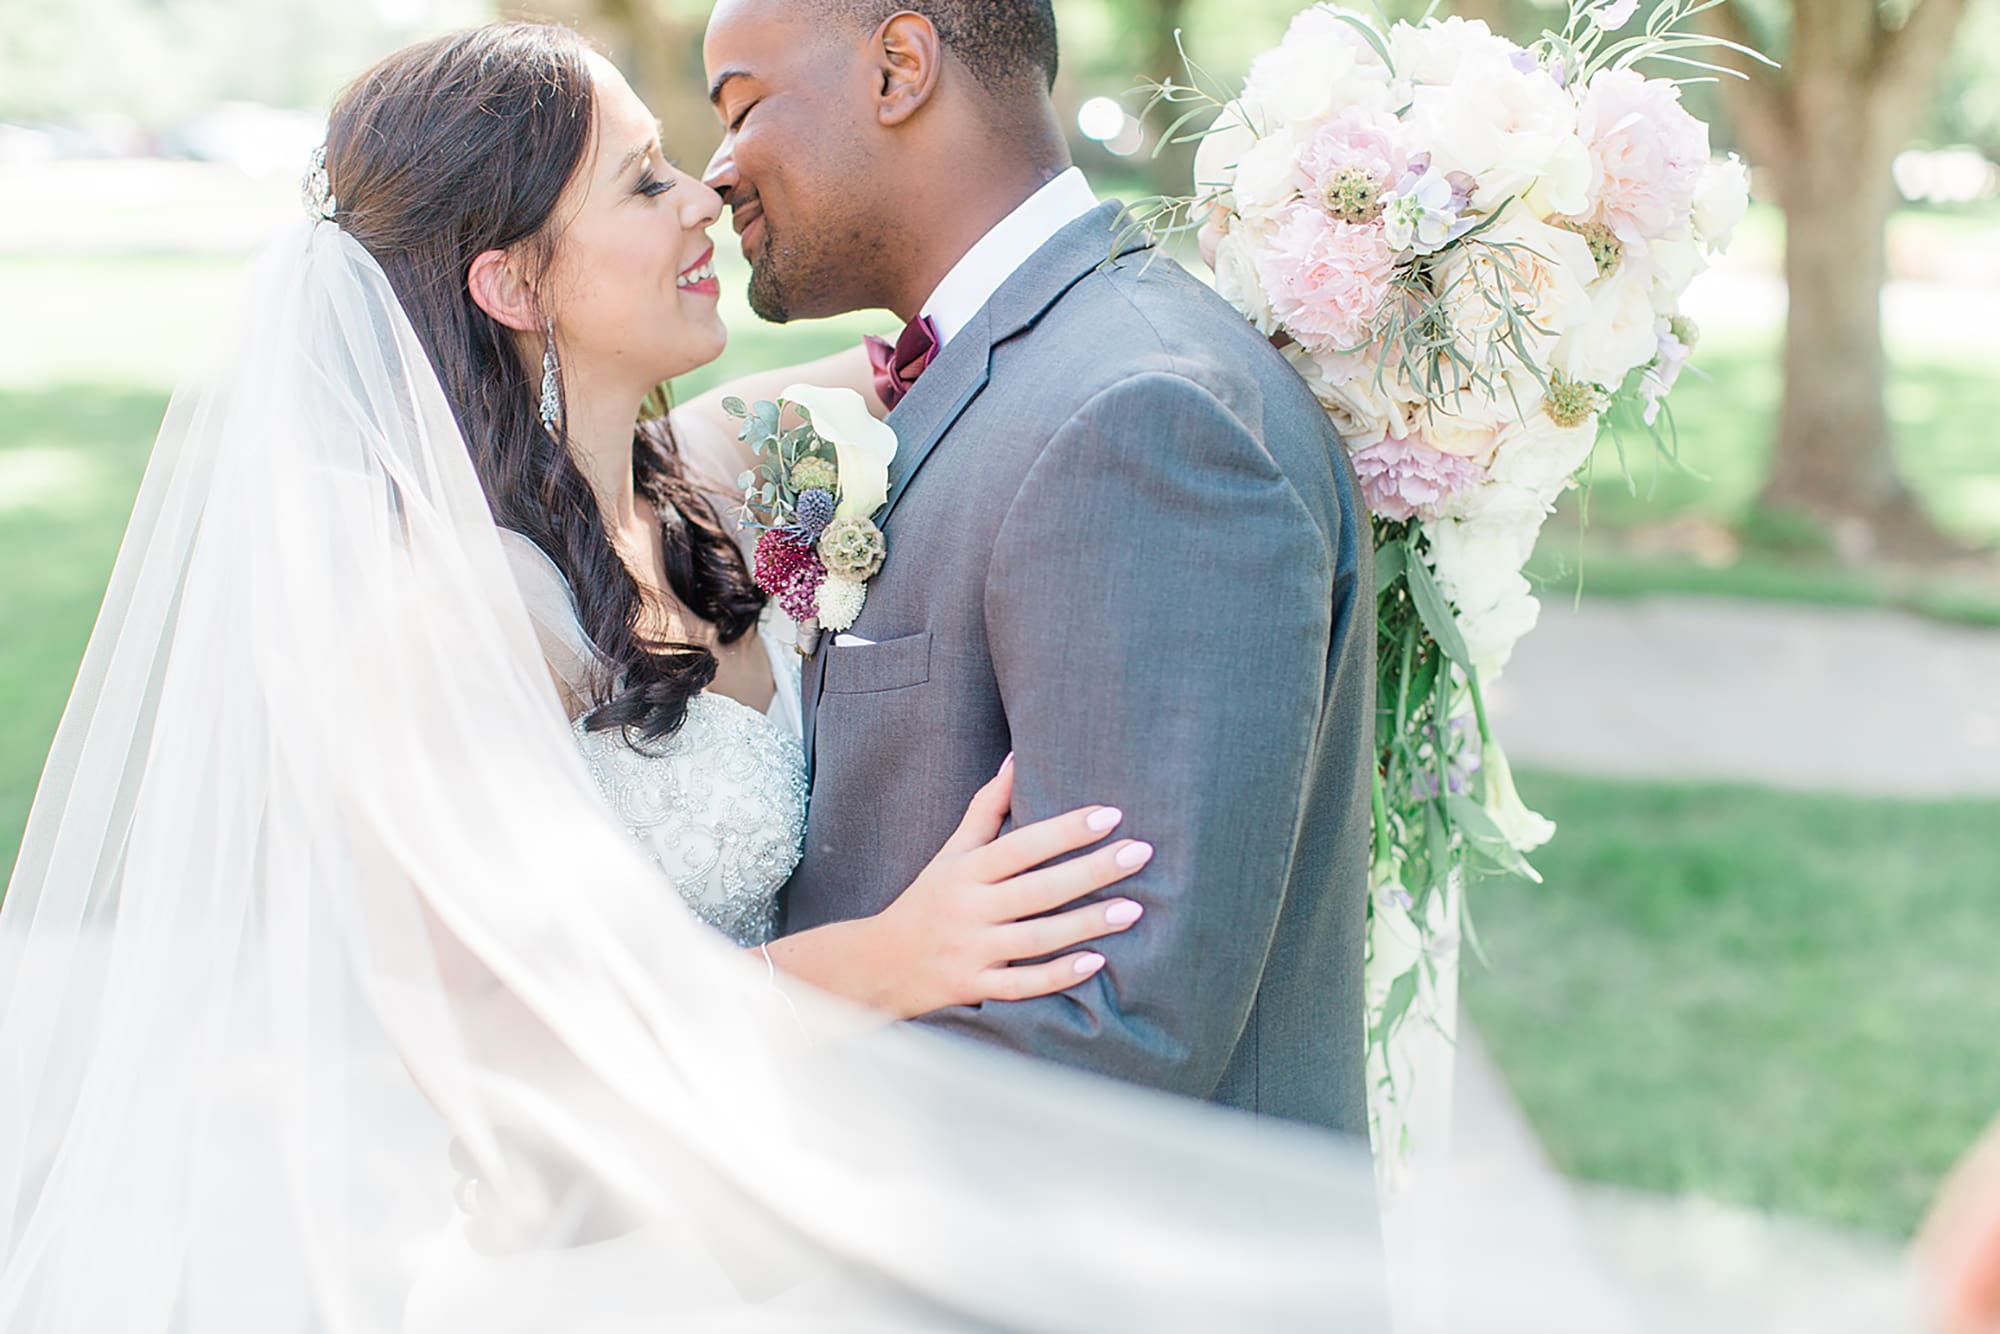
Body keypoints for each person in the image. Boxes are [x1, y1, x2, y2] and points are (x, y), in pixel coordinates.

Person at [0, 21, 1389, 1334]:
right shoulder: (445, 609)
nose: (705, 195)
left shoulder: (704, 487)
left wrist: (1340, 285)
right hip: (610, 1265)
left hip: (777, 1238)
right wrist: (885, 960)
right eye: (645, 178)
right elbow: (504, 1053)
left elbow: (978, 356)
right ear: (513, 281)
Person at [701, 0, 1377, 1134]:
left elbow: (1112, 1015)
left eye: (741, 102)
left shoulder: (1136, 412)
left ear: (898, 67)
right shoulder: (1023, 367)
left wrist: (714, 1141)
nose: (715, 169)